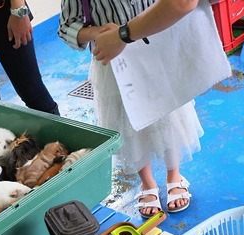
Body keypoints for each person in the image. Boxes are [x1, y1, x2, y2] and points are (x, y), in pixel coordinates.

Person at [60, 0, 215, 217]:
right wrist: (97, 32)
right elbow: (66, 26)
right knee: (129, 121)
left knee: (169, 114)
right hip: (114, 61)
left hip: (158, 48)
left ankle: (174, 175)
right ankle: (147, 183)